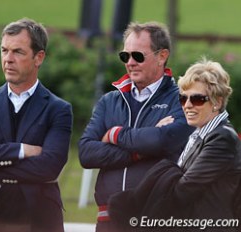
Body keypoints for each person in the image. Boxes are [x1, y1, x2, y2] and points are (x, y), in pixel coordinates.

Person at [0, 18, 73, 232]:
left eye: (17, 52)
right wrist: (20, 150)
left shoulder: (59, 109)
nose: (8, 59)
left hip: (38, 217)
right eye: (4, 51)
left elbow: (50, 167)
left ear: (39, 57)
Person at [78, 21, 194, 232]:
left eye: (138, 56)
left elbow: (161, 140)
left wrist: (114, 134)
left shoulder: (183, 100)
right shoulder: (109, 101)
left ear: (162, 56)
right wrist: (139, 152)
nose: (130, 62)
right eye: (125, 56)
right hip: (109, 220)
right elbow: (86, 154)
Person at [109, 58, 241, 231]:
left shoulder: (222, 137)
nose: (187, 105)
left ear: (217, 101)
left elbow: (183, 190)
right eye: (183, 98)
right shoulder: (200, 134)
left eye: (198, 99)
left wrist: (163, 173)